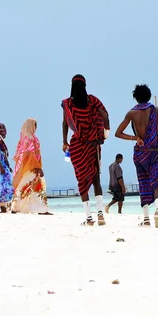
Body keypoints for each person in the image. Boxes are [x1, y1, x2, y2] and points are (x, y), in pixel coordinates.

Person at [115, 84, 158, 228]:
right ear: (149, 96)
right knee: (157, 182)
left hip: (141, 153)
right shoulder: (156, 110)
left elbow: (118, 133)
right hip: (155, 152)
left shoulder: (131, 113)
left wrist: (135, 138)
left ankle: (146, 219)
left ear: (136, 98)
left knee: (144, 183)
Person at [61, 74, 110, 226]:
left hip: (77, 146)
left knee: (81, 180)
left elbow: (65, 122)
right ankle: (100, 215)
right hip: (93, 145)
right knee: (96, 179)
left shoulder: (68, 103)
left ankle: (89, 217)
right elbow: (105, 115)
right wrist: (104, 132)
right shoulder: (93, 101)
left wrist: (64, 141)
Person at [10, 118, 52, 215]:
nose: (36, 127)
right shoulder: (28, 138)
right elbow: (29, 154)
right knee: (29, 187)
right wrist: (38, 168)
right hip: (30, 168)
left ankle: (41, 209)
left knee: (34, 187)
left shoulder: (31, 137)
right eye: (34, 125)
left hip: (33, 167)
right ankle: (16, 207)